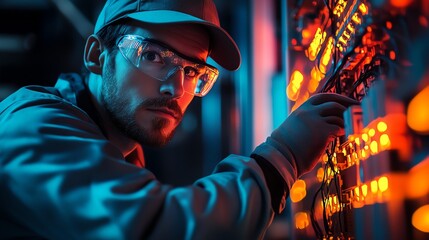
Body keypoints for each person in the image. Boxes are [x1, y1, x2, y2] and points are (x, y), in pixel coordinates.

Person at [0, 0, 358, 239]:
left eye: (193, 70)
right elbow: (151, 227)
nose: (177, 88)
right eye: (153, 55)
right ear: (97, 55)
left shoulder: (120, 149)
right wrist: (282, 157)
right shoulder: (35, 128)